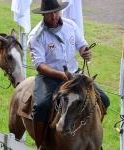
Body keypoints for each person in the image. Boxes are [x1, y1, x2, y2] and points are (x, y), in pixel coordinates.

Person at [27, 0, 110, 149]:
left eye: (55, 12)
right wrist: (59, 75)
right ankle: (41, 143)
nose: (53, 16)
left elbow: (81, 43)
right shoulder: (36, 35)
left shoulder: (70, 25)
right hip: (49, 78)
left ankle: (91, 132)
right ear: (43, 14)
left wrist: (85, 51)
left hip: (75, 74)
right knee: (41, 106)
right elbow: (40, 65)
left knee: (104, 99)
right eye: (49, 13)